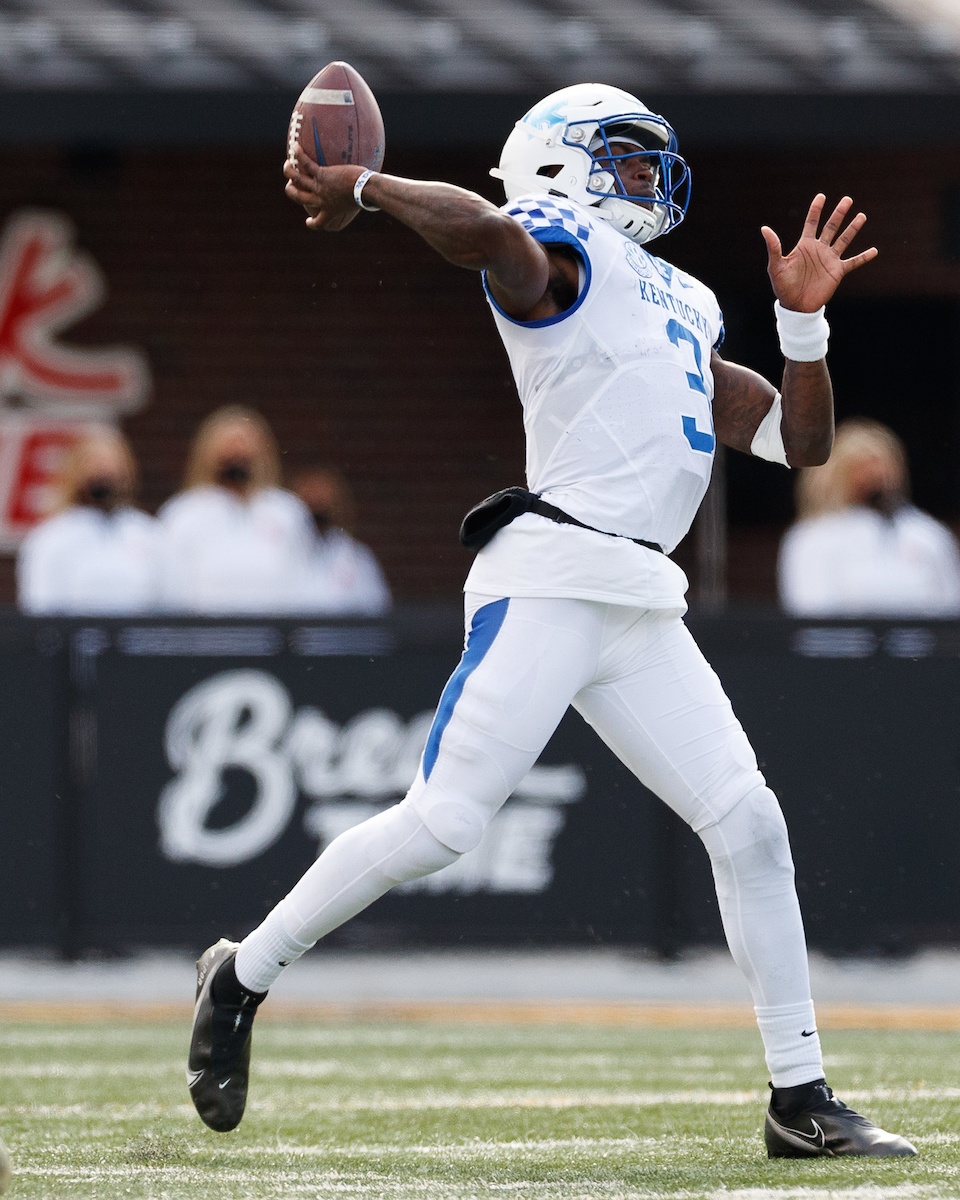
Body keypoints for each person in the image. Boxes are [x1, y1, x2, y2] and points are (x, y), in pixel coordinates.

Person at [186, 83, 915, 1158]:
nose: (643, 176)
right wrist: (369, 186)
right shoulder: (550, 243)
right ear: (556, 161)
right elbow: (489, 237)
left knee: (751, 823)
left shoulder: (681, 296)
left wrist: (803, 326)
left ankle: (798, 1097)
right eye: (622, 155)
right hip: (552, 574)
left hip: (641, 599)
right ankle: (241, 975)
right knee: (445, 823)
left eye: (647, 159)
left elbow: (799, 445)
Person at [779, 417, 960, 616]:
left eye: (883, 466)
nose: (877, 477)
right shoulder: (812, 538)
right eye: (862, 468)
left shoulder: (926, 534)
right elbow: (809, 611)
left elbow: (949, 607)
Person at [158, 406, 313, 614]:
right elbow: (173, 589)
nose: (238, 454)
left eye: (245, 446)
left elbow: (302, 582)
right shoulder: (184, 514)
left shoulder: (286, 511)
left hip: (274, 629)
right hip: (208, 631)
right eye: (229, 447)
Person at [17, 426, 162, 614]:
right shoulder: (51, 537)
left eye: (114, 465)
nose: (106, 473)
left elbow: (169, 605)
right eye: (96, 464)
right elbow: (39, 606)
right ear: (75, 471)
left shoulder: (148, 533)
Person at [292, 465, 391, 616]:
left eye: (322, 498)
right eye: (309, 496)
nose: (316, 503)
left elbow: (377, 611)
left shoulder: (357, 557)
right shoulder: (279, 552)